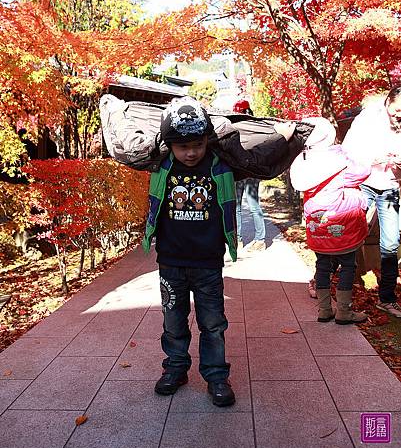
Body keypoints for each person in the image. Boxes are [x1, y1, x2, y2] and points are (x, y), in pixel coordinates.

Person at [142, 96, 295, 406]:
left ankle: (215, 376)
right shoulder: (161, 165)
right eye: (182, 146)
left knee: (213, 323)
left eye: (197, 144)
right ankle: (175, 368)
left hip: (208, 262)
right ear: (169, 144)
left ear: (207, 141)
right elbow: (129, 145)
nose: (190, 152)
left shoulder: (220, 166)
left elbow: (257, 160)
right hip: (171, 261)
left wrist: (285, 136)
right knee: (173, 320)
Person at [290, 117, 369, 324]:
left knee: (322, 265)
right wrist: (344, 153)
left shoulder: (304, 163)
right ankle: (344, 311)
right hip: (343, 226)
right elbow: (364, 171)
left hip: (318, 228)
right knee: (348, 266)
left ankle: (324, 309)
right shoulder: (338, 165)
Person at [342, 87, 401, 318]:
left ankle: (386, 298)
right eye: (397, 110)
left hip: (391, 185)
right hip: (364, 180)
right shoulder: (367, 118)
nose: (399, 115)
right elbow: (347, 151)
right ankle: (323, 281)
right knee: (348, 234)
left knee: (390, 243)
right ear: (388, 102)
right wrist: (371, 159)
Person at [232, 99, 266, 250]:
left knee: (239, 206)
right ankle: (259, 240)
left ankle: (240, 240)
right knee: (250, 205)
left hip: (241, 170)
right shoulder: (257, 127)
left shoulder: (235, 127)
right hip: (250, 169)